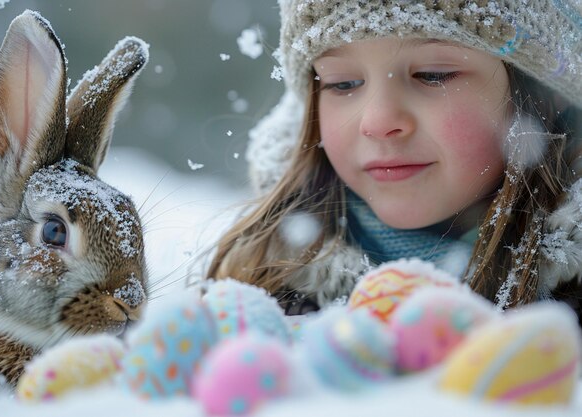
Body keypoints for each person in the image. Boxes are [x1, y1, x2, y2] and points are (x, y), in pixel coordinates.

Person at [207, 1, 582, 321]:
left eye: (432, 75)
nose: (378, 122)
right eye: (343, 83)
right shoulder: (265, 291)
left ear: (543, 97)